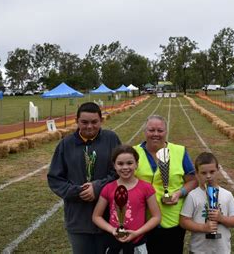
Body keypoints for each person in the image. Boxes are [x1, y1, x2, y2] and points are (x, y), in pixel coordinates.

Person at [47, 102, 122, 254]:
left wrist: (98, 188)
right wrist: (77, 191)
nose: (89, 126)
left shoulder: (111, 139)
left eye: (94, 122)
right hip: (78, 219)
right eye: (84, 122)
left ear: (101, 120)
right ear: (76, 121)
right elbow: (55, 178)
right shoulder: (66, 144)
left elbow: (120, 172)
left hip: (109, 218)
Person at [133, 115, 198, 254]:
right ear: (145, 131)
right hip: (142, 220)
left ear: (166, 132)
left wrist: (179, 193)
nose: (156, 134)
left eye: (160, 130)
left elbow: (192, 180)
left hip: (172, 220)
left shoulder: (179, 151)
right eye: (151, 130)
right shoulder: (133, 152)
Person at [92, 145, 161, 254]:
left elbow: (156, 217)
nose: (125, 167)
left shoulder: (146, 187)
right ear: (114, 165)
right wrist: (113, 230)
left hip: (137, 243)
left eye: (129, 163)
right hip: (114, 244)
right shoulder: (108, 188)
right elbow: (96, 216)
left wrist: (137, 233)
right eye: (120, 164)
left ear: (137, 164)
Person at [179, 152, 234, 254]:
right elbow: (184, 221)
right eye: (203, 173)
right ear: (197, 174)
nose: (208, 176)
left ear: (218, 170)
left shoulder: (227, 195)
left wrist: (221, 218)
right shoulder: (193, 195)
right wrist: (203, 227)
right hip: (199, 250)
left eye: (212, 172)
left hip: (222, 250)